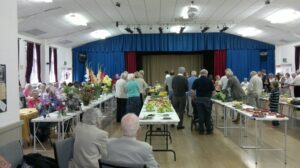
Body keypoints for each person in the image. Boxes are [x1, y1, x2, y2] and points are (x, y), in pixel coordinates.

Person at [192, 69, 214, 135]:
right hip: (207, 99)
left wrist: (194, 97)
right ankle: (208, 130)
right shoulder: (209, 81)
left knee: (200, 114)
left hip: (199, 99)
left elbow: (193, 91)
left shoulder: (196, 80)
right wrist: (210, 98)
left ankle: (201, 130)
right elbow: (213, 91)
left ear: (200, 73)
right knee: (208, 115)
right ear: (206, 74)